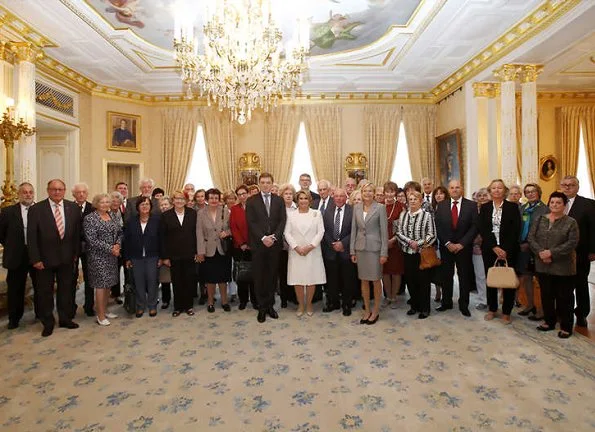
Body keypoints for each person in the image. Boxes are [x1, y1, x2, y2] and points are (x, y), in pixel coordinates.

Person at [27, 179, 82, 337]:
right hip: (44, 261)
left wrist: (75, 255)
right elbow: (31, 237)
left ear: (64, 191)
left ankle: (64, 319)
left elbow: (76, 235)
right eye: (53, 189)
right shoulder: (36, 209)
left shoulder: (72, 208)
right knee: (45, 292)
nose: (57, 192)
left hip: (67, 259)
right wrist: (35, 259)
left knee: (66, 290)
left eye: (60, 189)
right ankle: (48, 322)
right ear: (48, 190)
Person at [528, 192, 579, 338]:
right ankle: (549, 322)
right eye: (552, 202)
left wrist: (551, 253)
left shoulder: (571, 222)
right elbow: (531, 238)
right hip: (542, 265)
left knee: (565, 298)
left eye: (558, 203)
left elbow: (571, 243)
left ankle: (566, 326)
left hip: (563, 267)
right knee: (546, 295)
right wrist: (541, 253)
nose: (555, 205)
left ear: (564, 205)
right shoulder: (539, 219)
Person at [478, 179, 521, 325]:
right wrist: (494, 247)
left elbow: (516, 231)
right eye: (494, 188)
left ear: (504, 191)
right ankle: (492, 309)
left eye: (499, 188)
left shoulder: (512, 207)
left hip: (508, 250)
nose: (496, 190)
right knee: (491, 279)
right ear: (490, 191)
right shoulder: (485, 208)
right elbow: (483, 229)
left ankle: (507, 312)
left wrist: (505, 249)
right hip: (490, 250)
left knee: (507, 280)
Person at [246, 173, 287, 323]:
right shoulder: (251, 201)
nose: (265, 185)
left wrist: (274, 237)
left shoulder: (279, 200)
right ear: (259, 184)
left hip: (274, 245)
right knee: (259, 277)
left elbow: (282, 221)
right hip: (258, 245)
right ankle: (262, 308)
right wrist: (263, 238)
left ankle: (270, 306)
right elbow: (251, 223)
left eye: (268, 182)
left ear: (272, 183)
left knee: (271, 276)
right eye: (262, 182)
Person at [434, 180, 478, 317]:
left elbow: (475, 227)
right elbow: (438, 226)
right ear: (449, 190)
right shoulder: (441, 206)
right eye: (452, 188)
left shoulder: (471, 205)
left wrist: (462, 244)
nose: (454, 190)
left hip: (463, 248)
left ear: (462, 189)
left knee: (464, 277)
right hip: (446, 247)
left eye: (457, 187)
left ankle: (464, 305)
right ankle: (446, 302)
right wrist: (447, 243)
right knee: (446, 276)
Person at [350, 182, 388, 325]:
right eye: (365, 191)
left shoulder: (380, 208)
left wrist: (384, 253)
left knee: (376, 280)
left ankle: (376, 310)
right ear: (361, 192)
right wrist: (352, 250)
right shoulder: (356, 208)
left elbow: (384, 233)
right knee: (364, 280)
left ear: (374, 193)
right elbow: (354, 230)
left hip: (375, 250)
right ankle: (367, 310)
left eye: (370, 191)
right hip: (360, 249)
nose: (367, 193)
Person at [0, 182, 37, 329]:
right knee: (15, 289)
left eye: (30, 192)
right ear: (19, 194)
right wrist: (12, 245)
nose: (28, 194)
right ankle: (14, 318)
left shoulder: (40, 210)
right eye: (25, 192)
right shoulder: (8, 212)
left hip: (36, 255)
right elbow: (1, 234)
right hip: (16, 256)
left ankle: (41, 315)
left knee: (40, 287)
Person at [395, 190, 437, 319]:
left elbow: (432, 235)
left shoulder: (427, 216)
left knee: (423, 282)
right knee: (410, 281)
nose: (412, 201)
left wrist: (418, 244)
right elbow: (399, 233)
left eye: (415, 199)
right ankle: (414, 305)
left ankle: (425, 308)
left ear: (421, 201)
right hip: (407, 253)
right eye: (410, 199)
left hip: (422, 254)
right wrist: (409, 242)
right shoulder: (403, 215)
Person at [284, 190, 326, 316]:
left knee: (311, 279)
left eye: (305, 198)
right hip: (296, 252)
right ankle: (301, 305)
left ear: (310, 200)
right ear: (297, 200)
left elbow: (321, 232)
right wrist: (296, 247)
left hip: (312, 252)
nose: (303, 201)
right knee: (298, 280)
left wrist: (310, 246)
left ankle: (309, 304)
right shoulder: (291, 215)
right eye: (301, 198)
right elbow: (287, 233)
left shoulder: (316, 214)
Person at [560, 175, 595, 328]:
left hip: (581, 253)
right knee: (563, 285)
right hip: (559, 254)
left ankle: (581, 314)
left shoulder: (588, 204)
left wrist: (593, 250)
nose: (567, 187)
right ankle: (562, 312)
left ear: (577, 187)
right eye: (564, 185)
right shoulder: (556, 202)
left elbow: (594, 229)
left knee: (580, 284)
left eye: (571, 185)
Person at [83, 193, 122, 326]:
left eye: (107, 202)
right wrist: (110, 248)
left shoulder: (112, 215)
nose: (105, 204)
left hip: (112, 256)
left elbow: (119, 232)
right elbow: (92, 240)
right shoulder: (90, 218)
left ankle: (104, 310)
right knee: (101, 285)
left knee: (108, 284)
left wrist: (117, 245)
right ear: (96, 204)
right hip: (98, 256)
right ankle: (100, 315)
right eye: (102, 202)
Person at [160, 191, 198, 317]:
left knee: (189, 280)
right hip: (173, 254)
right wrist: (165, 256)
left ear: (186, 201)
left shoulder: (193, 214)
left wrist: (197, 252)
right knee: (176, 281)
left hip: (189, 253)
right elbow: (163, 237)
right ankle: (178, 307)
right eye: (177, 198)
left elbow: (196, 234)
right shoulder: (166, 215)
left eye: (182, 199)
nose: (180, 201)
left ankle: (188, 306)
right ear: (173, 200)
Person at [123, 196, 161, 318]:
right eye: (142, 204)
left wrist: (162, 257)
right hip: (136, 256)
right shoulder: (131, 222)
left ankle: (152, 306)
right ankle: (140, 306)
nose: (145, 206)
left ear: (151, 207)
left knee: (152, 281)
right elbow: (126, 241)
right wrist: (127, 258)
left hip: (153, 256)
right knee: (138, 282)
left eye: (147, 204)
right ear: (138, 207)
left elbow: (162, 240)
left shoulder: (157, 220)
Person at [197, 188, 233, 313]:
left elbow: (233, 228)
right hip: (208, 250)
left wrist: (227, 232)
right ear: (207, 199)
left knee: (223, 278)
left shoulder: (225, 211)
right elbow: (199, 233)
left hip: (223, 249)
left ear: (219, 199)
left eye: (216, 198)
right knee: (210, 278)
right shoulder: (201, 213)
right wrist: (200, 252)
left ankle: (224, 301)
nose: (213, 200)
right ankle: (210, 302)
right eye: (211, 198)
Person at [322, 188, 356, 316]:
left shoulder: (352, 211)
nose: (339, 198)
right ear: (333, 197)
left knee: (347, 279)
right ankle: (333, 303)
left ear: (346, 197)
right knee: (332, 280)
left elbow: (354, 230)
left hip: (346, 251)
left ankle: (346, 305)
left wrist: (343, 243)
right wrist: (333, 244)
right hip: (331, 251)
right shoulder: (327, 211)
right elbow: (324, 230)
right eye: (337, 196)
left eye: (342, 196)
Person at [517, 183, 548, 319]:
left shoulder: (545, 209)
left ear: (538, 193)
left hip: (537, 249)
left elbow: (544, 232)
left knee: (541, 280)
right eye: (527, 192)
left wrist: (530, 244)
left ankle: (542, 309)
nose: (530, 194)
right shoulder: (522, 208)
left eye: (533, 191)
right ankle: (530, 305)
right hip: (522, 249)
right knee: (526, 278)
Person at [230, 185, 257, 310]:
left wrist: (252, 243)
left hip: (254, 246)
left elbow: (258, 226)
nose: (242, 196)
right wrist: (242, 244)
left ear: (248, 194)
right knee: (242, 274)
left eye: (244, 193)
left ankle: (255, 300)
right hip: (239, 247)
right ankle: (243, 300)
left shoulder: (255, 207)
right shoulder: (234, 209)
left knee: (254, 274)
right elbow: (233, 227)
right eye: (239, 194)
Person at [71, 182, 95, 317]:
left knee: (90, 278)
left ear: (87, 194)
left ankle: (89, 306)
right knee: (71, 279)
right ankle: (71, 307)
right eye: (78, 192)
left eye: (84, 192)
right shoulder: (68, 207)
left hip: (89, 248)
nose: (81, 194)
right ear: (73, 194)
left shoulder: (93, 208)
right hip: (71, 249)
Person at [382, 181, 404, 309]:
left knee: (395, 271)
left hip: (396, 244)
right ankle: (387, 296)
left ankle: (394, 297)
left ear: (395, 192)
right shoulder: (379, 206)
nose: (389, 194)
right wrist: (384, 241)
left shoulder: (401, 206)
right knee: (385, 272)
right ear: (384, 192)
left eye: (392, 191)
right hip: (382, 244)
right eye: (387, 191)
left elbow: (403, 227)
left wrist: (393, 239)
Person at [278, 183, 298, 308]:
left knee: (294, 272)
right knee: (283, 272)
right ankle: (284, 298)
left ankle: (294, 296)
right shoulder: (278, 208)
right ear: (282, 195)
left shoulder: (297, 208)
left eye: (290, 193)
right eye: (286, 194)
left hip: (295, 245)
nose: (288, 196)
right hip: (282, 246)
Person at [472, 188, 490, 310]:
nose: (482, 197)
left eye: (485, 195)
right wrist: (475, 243)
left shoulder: (496, 210)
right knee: (480, 275)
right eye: (480, 195)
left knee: (493, 274)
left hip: (492, 247)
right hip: (476, 247)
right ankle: (483, 299)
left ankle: (495, 299)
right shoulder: (473, 211)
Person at [431, 185, 449, 302]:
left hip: (446, 243)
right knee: (436, 268)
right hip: (434, 243)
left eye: (441, 193)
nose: (439, 195)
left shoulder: (449, 208)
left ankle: (446, 293)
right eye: (436, 194)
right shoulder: (432, 209)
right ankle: (438, 291)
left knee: (445, 270)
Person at [108, 191, 125, 305]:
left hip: (123, 246)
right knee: (112, 272)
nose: (115, 202)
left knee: (119, 271)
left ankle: (117, 294)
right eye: (113, 200)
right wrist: (115, 247)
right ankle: (112, 294)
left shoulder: (123, 213)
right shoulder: (106, 214)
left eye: (117, 200)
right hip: (110, 248)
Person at [158, 197, 173, 309]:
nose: (163, 206)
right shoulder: (157, 219)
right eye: (161, 205)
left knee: (178, 279)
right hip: (163, 254)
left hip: (177, 253)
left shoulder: (175, 216)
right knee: (165, 280)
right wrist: (163, 257)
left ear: (171, 205)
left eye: (165, 204)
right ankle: (166, 300)